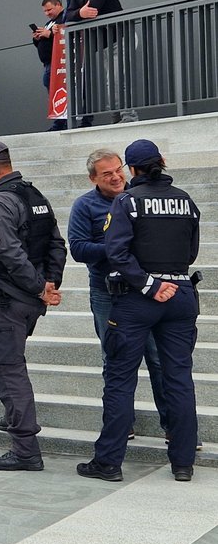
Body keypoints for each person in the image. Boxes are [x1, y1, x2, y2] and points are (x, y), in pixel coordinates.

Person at [78, 140, 201, 483]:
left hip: (137, 299)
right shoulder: (186, 201)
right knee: (178, 378)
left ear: (131, 170)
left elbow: (116, 253)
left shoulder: (127, 201)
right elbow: (190, 252)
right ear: (162, 161)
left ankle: (108, 462)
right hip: (180, 294)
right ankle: (183, 462)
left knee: (120, 379)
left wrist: (148, 284)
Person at [0, 139, 66, 471]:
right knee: (11, 368)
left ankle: (25, 448)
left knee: (8, 372)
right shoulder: (34, 195)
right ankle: (14, 415)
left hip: (7, 300)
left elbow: (9, 253)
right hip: (28, 301)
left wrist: (42, 288)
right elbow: (56, 243)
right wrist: (51, 283)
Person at [68, 148, 172, 440]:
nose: (116, 177)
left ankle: (173, 427)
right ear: (93, 179)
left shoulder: (140, 197)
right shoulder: (84, 206)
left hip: (145, 292)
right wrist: (117, 247)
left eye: (118, 170)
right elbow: (77, 248)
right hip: (107, 294)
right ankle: (120, 426)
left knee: (158, 359)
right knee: (114, 360)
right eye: (107, 174)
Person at [63, 0, 137, 124]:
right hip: (106, 43)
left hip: (120, 37)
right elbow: (67, 15)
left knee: (118, 79)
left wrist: (79, 13)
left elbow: (94, 10)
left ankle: (129, 117)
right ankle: (117, 118)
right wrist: (80, 12)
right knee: (112, 81)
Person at [33, 0, 66, 131]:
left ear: (58, 5)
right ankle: (58, 122)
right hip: (48, 64)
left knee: (60, 93)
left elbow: (63, 35)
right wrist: (37, 38)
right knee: (54, 94)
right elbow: (45, 42)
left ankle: (61, 123)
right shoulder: (50, 23)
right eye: (45, 11)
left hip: (59, 63)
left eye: (49, 10)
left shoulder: (64, 18)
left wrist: (49, 35)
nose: (47, 14)